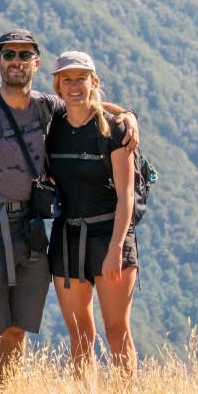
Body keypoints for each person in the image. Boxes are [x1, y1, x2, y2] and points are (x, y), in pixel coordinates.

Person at [0, 28, 138, 379]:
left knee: (17, 328)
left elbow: (85, 104)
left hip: (34, 232)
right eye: (10, 55)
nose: (17, 62)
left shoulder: (44, 108)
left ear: (36, 63)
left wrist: (128, 114)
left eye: (24, 55)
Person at [46, 50, 138, 373]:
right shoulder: (51, 126)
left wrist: (115, 249)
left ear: (93, 82)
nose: (74, 86)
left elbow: (126, 195)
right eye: (67, 80)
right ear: (57, 86)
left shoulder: (113, 129)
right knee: (79, 336)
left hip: (109, 235)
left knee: (116, 332)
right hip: (67, 239)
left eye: (81, 79)